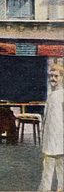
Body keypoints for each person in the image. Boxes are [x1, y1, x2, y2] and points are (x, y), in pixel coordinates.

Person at [39, 63, 64, 191]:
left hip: (61, 141)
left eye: (56, 76)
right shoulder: (50, 95)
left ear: (62, 78)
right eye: (51, 76)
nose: (53, 79)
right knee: (47, 171)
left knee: (62, 173)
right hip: (49, 141)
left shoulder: (62, 95)